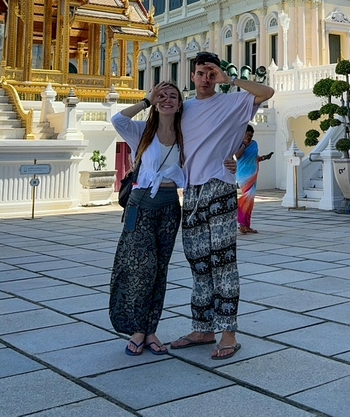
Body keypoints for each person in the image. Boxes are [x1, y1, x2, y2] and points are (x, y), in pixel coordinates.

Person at [171, 52, 274, 360]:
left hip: (219, 187)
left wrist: (230, 79)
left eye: (211, 73)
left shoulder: (232, 102)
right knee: (198, 262)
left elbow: (267, 92)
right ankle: (203, 327)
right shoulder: (183, 109)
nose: (206, 78)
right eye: (201, 72)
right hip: (191, 192)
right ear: (192, 76)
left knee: (223, 262)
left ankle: (228, 333)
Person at [109, 82, 185, 356]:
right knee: (140, 269)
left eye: (172, 96)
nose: (167, 100)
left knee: (159, 270)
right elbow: (117, 119)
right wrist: (145, 101)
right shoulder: (142, 131)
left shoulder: (183, 133)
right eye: (161, 96)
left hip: (169, 207)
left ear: (179, 103)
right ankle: (137, 329)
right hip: (140, 205)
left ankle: (150, 329)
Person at [235, 125, 273, 234]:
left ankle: (246, 225)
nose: (250, 137)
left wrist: (264, 157)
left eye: (251, 135)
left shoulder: (255, 143)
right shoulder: (238, 144)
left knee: (250, 201)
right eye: (248, 135)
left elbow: (255, 157)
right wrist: (244, 145)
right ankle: (242, 224)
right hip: (243, 175)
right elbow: (236, 157)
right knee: (247, 199)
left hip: (253, 173)